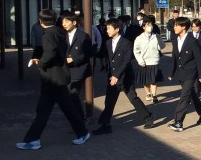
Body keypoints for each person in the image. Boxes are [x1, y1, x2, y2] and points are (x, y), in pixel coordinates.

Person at [16, 9, 89, 150]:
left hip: (53, 79)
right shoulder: (59, 32)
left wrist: (40, 63)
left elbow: (50, 53)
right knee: (53, 109)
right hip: (57, 78)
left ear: (40, 21)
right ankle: (34, 139)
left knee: (52, 109)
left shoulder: (48, 34)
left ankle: (34, 140)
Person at [93, 18, 155, 135]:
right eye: (106, 28)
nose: (107, 30)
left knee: (133, 98)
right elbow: (106, 57)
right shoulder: (108, 42)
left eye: (109, 28)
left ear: (117, 29)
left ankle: (148, 117)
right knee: (109, 101)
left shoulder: (126, 43)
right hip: (112, 77)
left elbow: (126, 62)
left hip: (125, 77)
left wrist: (117, 75)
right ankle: (105, 125)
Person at [167, 17, 201, 132]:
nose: (174, 28)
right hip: (181, 73)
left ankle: (178, 122)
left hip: (191, 73)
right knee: (192, 95)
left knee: (184, 97)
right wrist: (171, 72)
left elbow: (199, 59)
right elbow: (175, 57)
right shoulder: (175, 40)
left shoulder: (192, 41)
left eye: (176, 25)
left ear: (183, 27)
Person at [62, 12, 94, 121]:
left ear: (74, 22)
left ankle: (80, 118)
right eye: (63, 22)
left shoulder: (83, 36)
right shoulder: (63, 35)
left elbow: (89, 53)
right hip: (66, 70)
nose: (64, 24)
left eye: (66, 21)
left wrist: (74, 59)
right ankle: (78, 118)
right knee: (70, 95)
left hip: (79, 70)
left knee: (73, 94)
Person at [133, 16, 166, 103]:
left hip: (154, 61)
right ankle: (148, 93)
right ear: (143, 27)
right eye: (147, 25)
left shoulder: (156, 36)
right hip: (144, 62)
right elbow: (136, 51)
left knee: (154, 80)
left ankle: (154, 95)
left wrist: (159, 39)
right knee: (146, 81)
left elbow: (162, 47)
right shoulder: (139, 38)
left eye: (151, 25)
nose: (150, 27)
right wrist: (140, 60)